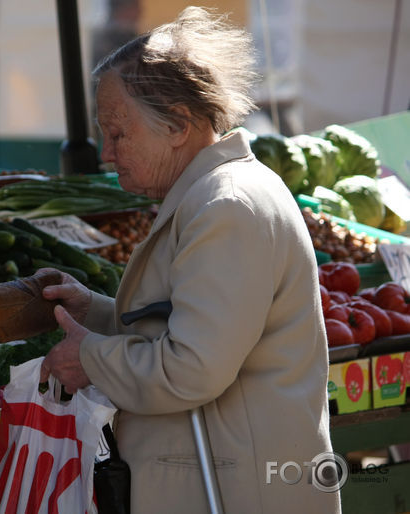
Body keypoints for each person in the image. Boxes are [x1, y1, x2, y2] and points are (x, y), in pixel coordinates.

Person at [38, 6, 341, 513]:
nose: (107, 154)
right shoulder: (215, 194)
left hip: (235, 489)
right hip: (225, 477)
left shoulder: (226, 207)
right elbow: (185, 324)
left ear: (178, 124)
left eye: (118, 133)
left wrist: (90, 357)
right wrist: (94, 310)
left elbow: (192, 367)